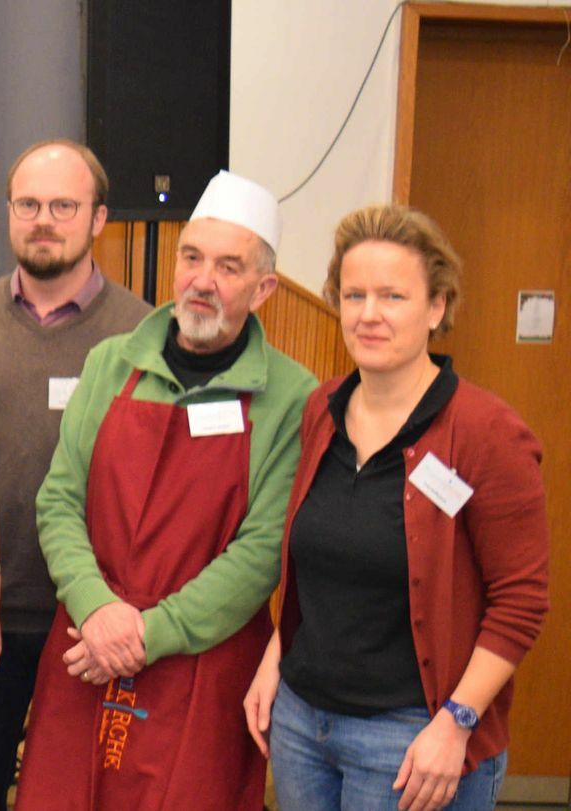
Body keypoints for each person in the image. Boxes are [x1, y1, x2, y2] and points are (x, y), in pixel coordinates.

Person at [13, 171, 318, 811]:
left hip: (203, 663)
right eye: (192, 258)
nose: (203, 280)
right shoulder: (111, 364)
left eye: (229, 267)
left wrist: (148, 634)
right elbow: (59, 500)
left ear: (264, 289)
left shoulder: (294, 396)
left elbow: (263, 551)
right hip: (86, 646)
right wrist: (96, 609)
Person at [243, 204, 547, 811]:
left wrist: (457, 722)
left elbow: (522, 600)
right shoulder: (323, 408)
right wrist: (277, 656)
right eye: (354, 295)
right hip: (302, 725)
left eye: (393, 296)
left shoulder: (486, 432)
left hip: (415, 737)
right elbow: (318, 565)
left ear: (436, 307)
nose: (369, 314)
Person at [0, 140, 149, 810]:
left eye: (63, 206)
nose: (44, 221)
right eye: (28, 205)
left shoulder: (144, 336)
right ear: (8, 212)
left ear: (98, 219)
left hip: (94, 625)